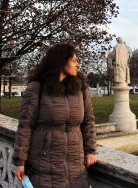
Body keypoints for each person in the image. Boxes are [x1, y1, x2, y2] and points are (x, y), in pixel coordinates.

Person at [13, 43, 97, 187]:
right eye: (74, 60)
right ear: (61, 61)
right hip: (44, 166)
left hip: (76, 167)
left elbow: (88, 122)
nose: (78, 64)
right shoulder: (36, 88)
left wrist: (91, 150)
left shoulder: (81, 88)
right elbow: (25, 126)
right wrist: (20, 161)